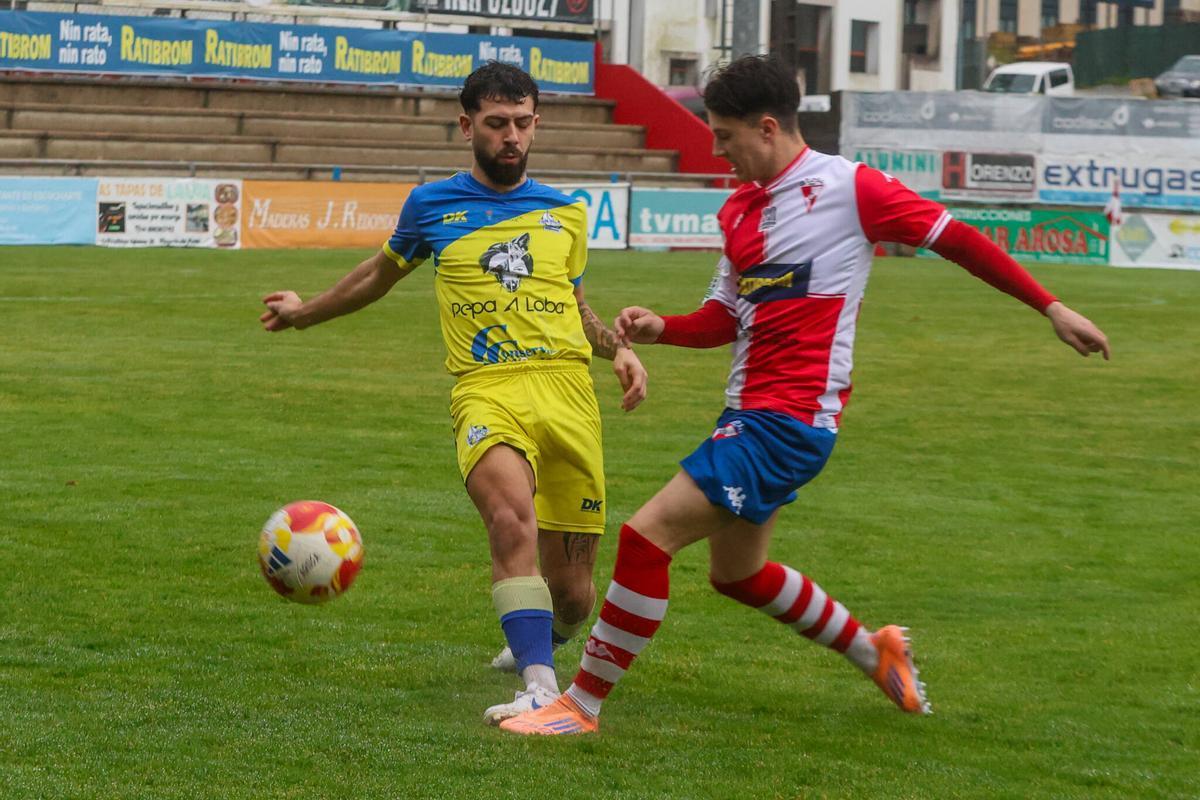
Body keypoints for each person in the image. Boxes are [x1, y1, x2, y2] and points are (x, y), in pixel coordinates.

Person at [500, 55, 1110, 736]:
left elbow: (957, 238)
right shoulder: (738, 212)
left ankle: (578, 705)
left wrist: (1049, 306)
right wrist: (662, 328)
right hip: (749, 414)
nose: (716, 149)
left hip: (789, 421)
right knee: (737, 575)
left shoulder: (851, 189)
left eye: (725, 136)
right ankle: (873, 650)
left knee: (646, 539)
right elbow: (726, 321)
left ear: (767, 128)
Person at [259, 61, 648, 724]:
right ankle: (537, 684)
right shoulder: (432, 205)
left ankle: (540, 638)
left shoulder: (566, 212)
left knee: (576, 595)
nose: (512, 137)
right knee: (508, 520)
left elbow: (576, 310)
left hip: (568, 394)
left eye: (523, 123)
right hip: (486, 389)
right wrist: (303, 313)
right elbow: (375, 277)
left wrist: (622, 349)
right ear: (467, 125)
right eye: (497, 124)